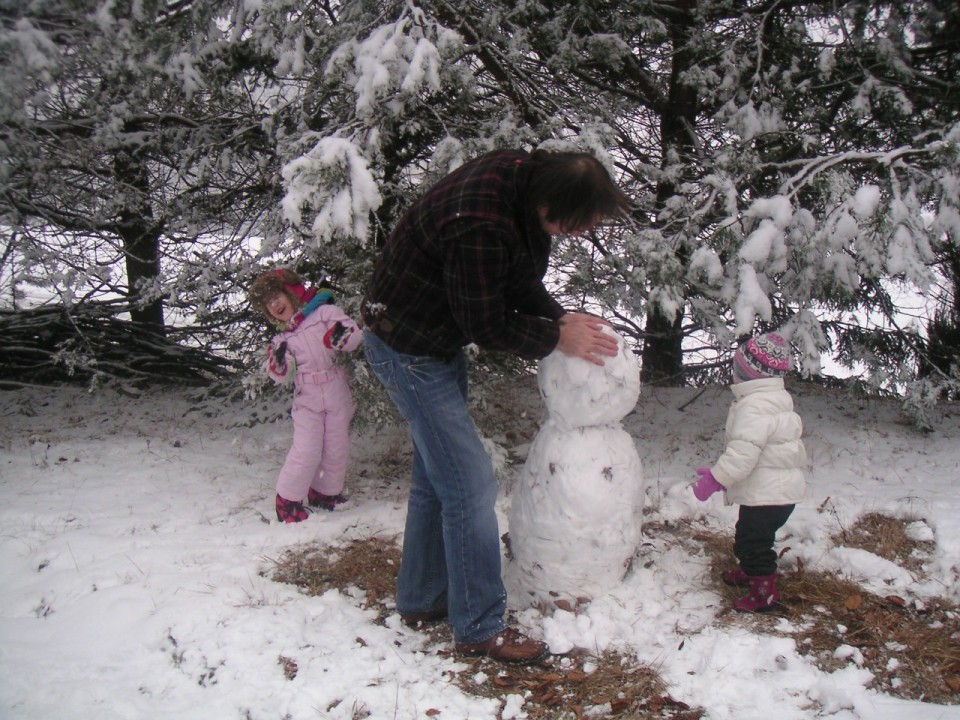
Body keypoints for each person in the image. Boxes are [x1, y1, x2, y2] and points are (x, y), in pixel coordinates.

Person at [361, 148, 630, 663]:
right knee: (470, 485)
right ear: (549, 200)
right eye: (571, 226)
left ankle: (421, 599)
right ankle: (480, 627)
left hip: (433, 336)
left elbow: (515, 280)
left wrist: (559, 317)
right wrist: (556, 337)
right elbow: (486, 323)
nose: (573, 235)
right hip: (408, 345)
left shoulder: (520, 182)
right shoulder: (478, 222)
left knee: (435, 478)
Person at [691, 331, 807, 613]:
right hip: (774, 492)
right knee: (749, 534)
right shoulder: (774, 399)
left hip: (769, 493)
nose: (734, 376)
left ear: (749, 374)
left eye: (737, 370)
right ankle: (751, 572)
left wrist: (717, 478)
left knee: (753, 542)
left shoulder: (754, 407)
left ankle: (764, 592)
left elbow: (743, 454)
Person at [249, 268, 363, 523]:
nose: (274, 304)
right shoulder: (283, 339)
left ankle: (325, 493)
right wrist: (278, 364)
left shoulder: (324, 312)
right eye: (268, 304)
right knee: (307, 449)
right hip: (308, 397)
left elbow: (352, 332)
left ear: (292, 292)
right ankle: (287, 501)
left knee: (336, 446)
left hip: (337, 390)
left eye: (276, 296)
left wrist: (341, 336)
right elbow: (281, 374)